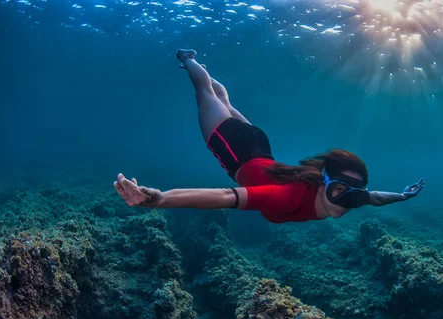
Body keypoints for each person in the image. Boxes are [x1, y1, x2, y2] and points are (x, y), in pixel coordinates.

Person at [114, 49, 424, 224]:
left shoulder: (347, 195)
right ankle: (189, 59)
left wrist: (402, 195)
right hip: (236, 147)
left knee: (225, 102)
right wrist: (160, 200)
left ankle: (201, 69)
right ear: (325, 182)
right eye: (341, 189)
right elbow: (225, 197)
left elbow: (373, 197)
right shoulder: (287, 196)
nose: (347, 199)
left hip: (260, 146)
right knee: (204, 92)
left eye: (352, 193)